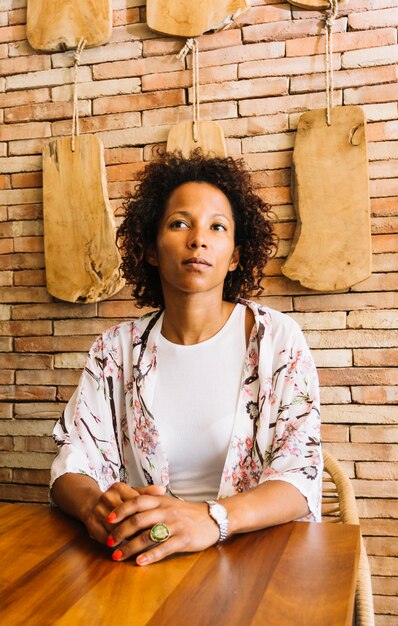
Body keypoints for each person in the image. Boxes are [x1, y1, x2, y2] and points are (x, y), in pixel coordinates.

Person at [49, 153, 322, 566]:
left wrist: (211, 519)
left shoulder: (276, 341)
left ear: (234, 256)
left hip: (261, 564)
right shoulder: (115, 350)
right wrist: (96, 508)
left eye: (218, 226)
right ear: (152, 249)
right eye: (179, 223)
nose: (198, 239)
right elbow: (72, 460)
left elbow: (300, 478)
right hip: (146, 562)